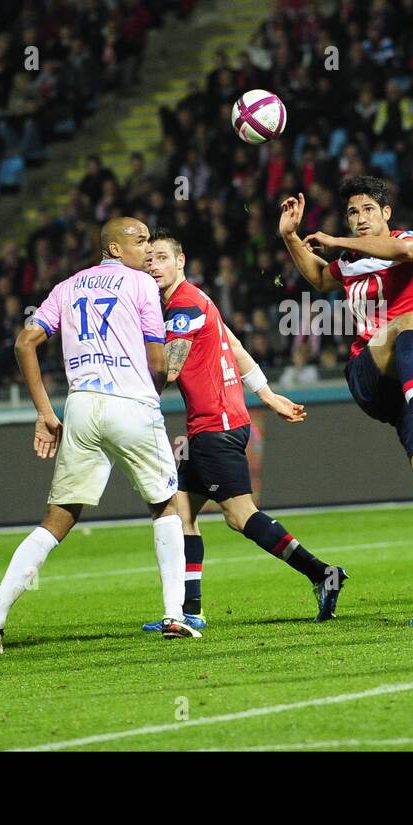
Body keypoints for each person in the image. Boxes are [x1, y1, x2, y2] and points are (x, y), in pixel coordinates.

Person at [0, 216, 198, 653]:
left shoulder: (67, 286)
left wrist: (44, 412)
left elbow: (24, 342)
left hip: (80, 407)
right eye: (140, 241)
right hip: (132, 404)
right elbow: (156, 364)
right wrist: (163, 378)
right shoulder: (141, 287)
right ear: (115, 248)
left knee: (57, 519)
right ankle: (174, 615)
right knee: (167, 506)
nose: (148, 250)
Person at [141, 232, 345, 629]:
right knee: (181, 510)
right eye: (148, 260)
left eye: (161, 257)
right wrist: (268, 395)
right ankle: (190, 610)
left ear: (180, 261)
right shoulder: (201, 300)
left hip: (214, 426)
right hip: (219, 423)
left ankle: (322, 573)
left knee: (239, 516)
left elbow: (169, 369)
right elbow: (234, 346)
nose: (153, 266)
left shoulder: (182, 306)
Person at [279, 176, 413, 626]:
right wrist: (290, 236)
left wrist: (334, 239)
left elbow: (405, 254)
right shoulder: (350, 259)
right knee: (404, 322)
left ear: (386, 213)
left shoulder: (409, 241)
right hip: (371, 372)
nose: (359, 219)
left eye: (367, 211)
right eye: (352, 213)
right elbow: (318, 277)